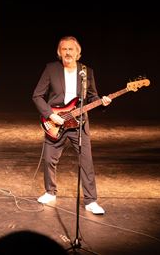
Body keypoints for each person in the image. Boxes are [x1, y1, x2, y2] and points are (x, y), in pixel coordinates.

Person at [32, 36, 111, 215]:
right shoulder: (51, 69)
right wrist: (51, 114)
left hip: (79, 124)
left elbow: (92, 97)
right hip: (56, 121)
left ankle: (91, 201)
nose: (68, 52)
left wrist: (102, 102)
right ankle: (50, 192)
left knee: (86, 163)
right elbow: (37, 96)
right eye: (64, 49)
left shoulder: (86, 71)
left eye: (71, 49)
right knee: (49, 160)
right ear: (59, 52)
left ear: (78, 53)